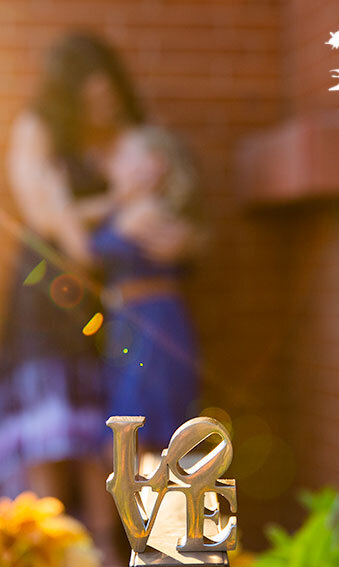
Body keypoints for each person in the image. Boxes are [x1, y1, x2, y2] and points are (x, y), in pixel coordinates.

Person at [0, 33, 143, 546]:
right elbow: (41, 215)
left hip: (99, 297)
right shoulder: (37, 131)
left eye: (109, 96)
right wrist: (112, 203)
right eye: (92, 98)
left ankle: (105, 547)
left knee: (99, 425)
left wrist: (87, 212)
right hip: (44, 294)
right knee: (50, 422)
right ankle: (54, 549)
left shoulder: (119, 139)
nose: (103, 106)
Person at [89, 126, 203, 456]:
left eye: (124, 157)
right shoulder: (135, 210)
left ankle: (148, 506)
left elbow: (92, 251)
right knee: (135, 423)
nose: (113, 166)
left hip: (151, 326)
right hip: (134, 322)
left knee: (140, 425)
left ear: (154, 166)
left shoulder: (144, 212)